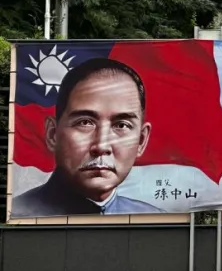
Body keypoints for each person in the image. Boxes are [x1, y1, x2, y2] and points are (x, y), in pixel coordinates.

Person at [12, 58, 161, 217]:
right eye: (85, 122)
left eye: (121, 125)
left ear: (141, 141)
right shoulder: (19, 212)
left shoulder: (153, 217)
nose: (102, 146)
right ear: (52, 134)